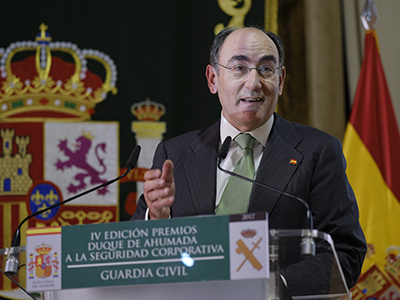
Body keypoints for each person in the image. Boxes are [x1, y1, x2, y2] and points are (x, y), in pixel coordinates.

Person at [131, 26, 366, 294]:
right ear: (212, 79)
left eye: (266, 69)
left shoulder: (318, 151)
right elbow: (137, 256)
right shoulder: (175, 154)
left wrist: (273, 288)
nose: (254, 83)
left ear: (281, 79)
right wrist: (157, 220)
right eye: (239, 68)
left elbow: (346, 254)